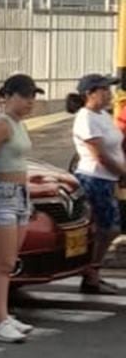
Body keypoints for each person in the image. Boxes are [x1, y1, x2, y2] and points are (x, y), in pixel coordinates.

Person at [0, 74, 42, 344]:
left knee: (11, 261)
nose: (30, 102)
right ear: (8, 96)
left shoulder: (19, 124)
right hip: (2, 194)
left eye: (33, 96)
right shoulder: (1, 125)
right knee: (3, 262)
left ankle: (1, 315)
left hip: (21, 195)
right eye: (25, 96)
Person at [68, 73, 124, 295]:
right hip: (94, 179)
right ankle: (90, 272)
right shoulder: (85, 118)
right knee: (107, 228)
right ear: (89, 94)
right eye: (103, 90)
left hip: (108, 179)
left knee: (106, 228)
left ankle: (93, 272)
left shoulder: (102, 115)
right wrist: (122, 173)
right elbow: (99, 155)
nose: (109, 94)